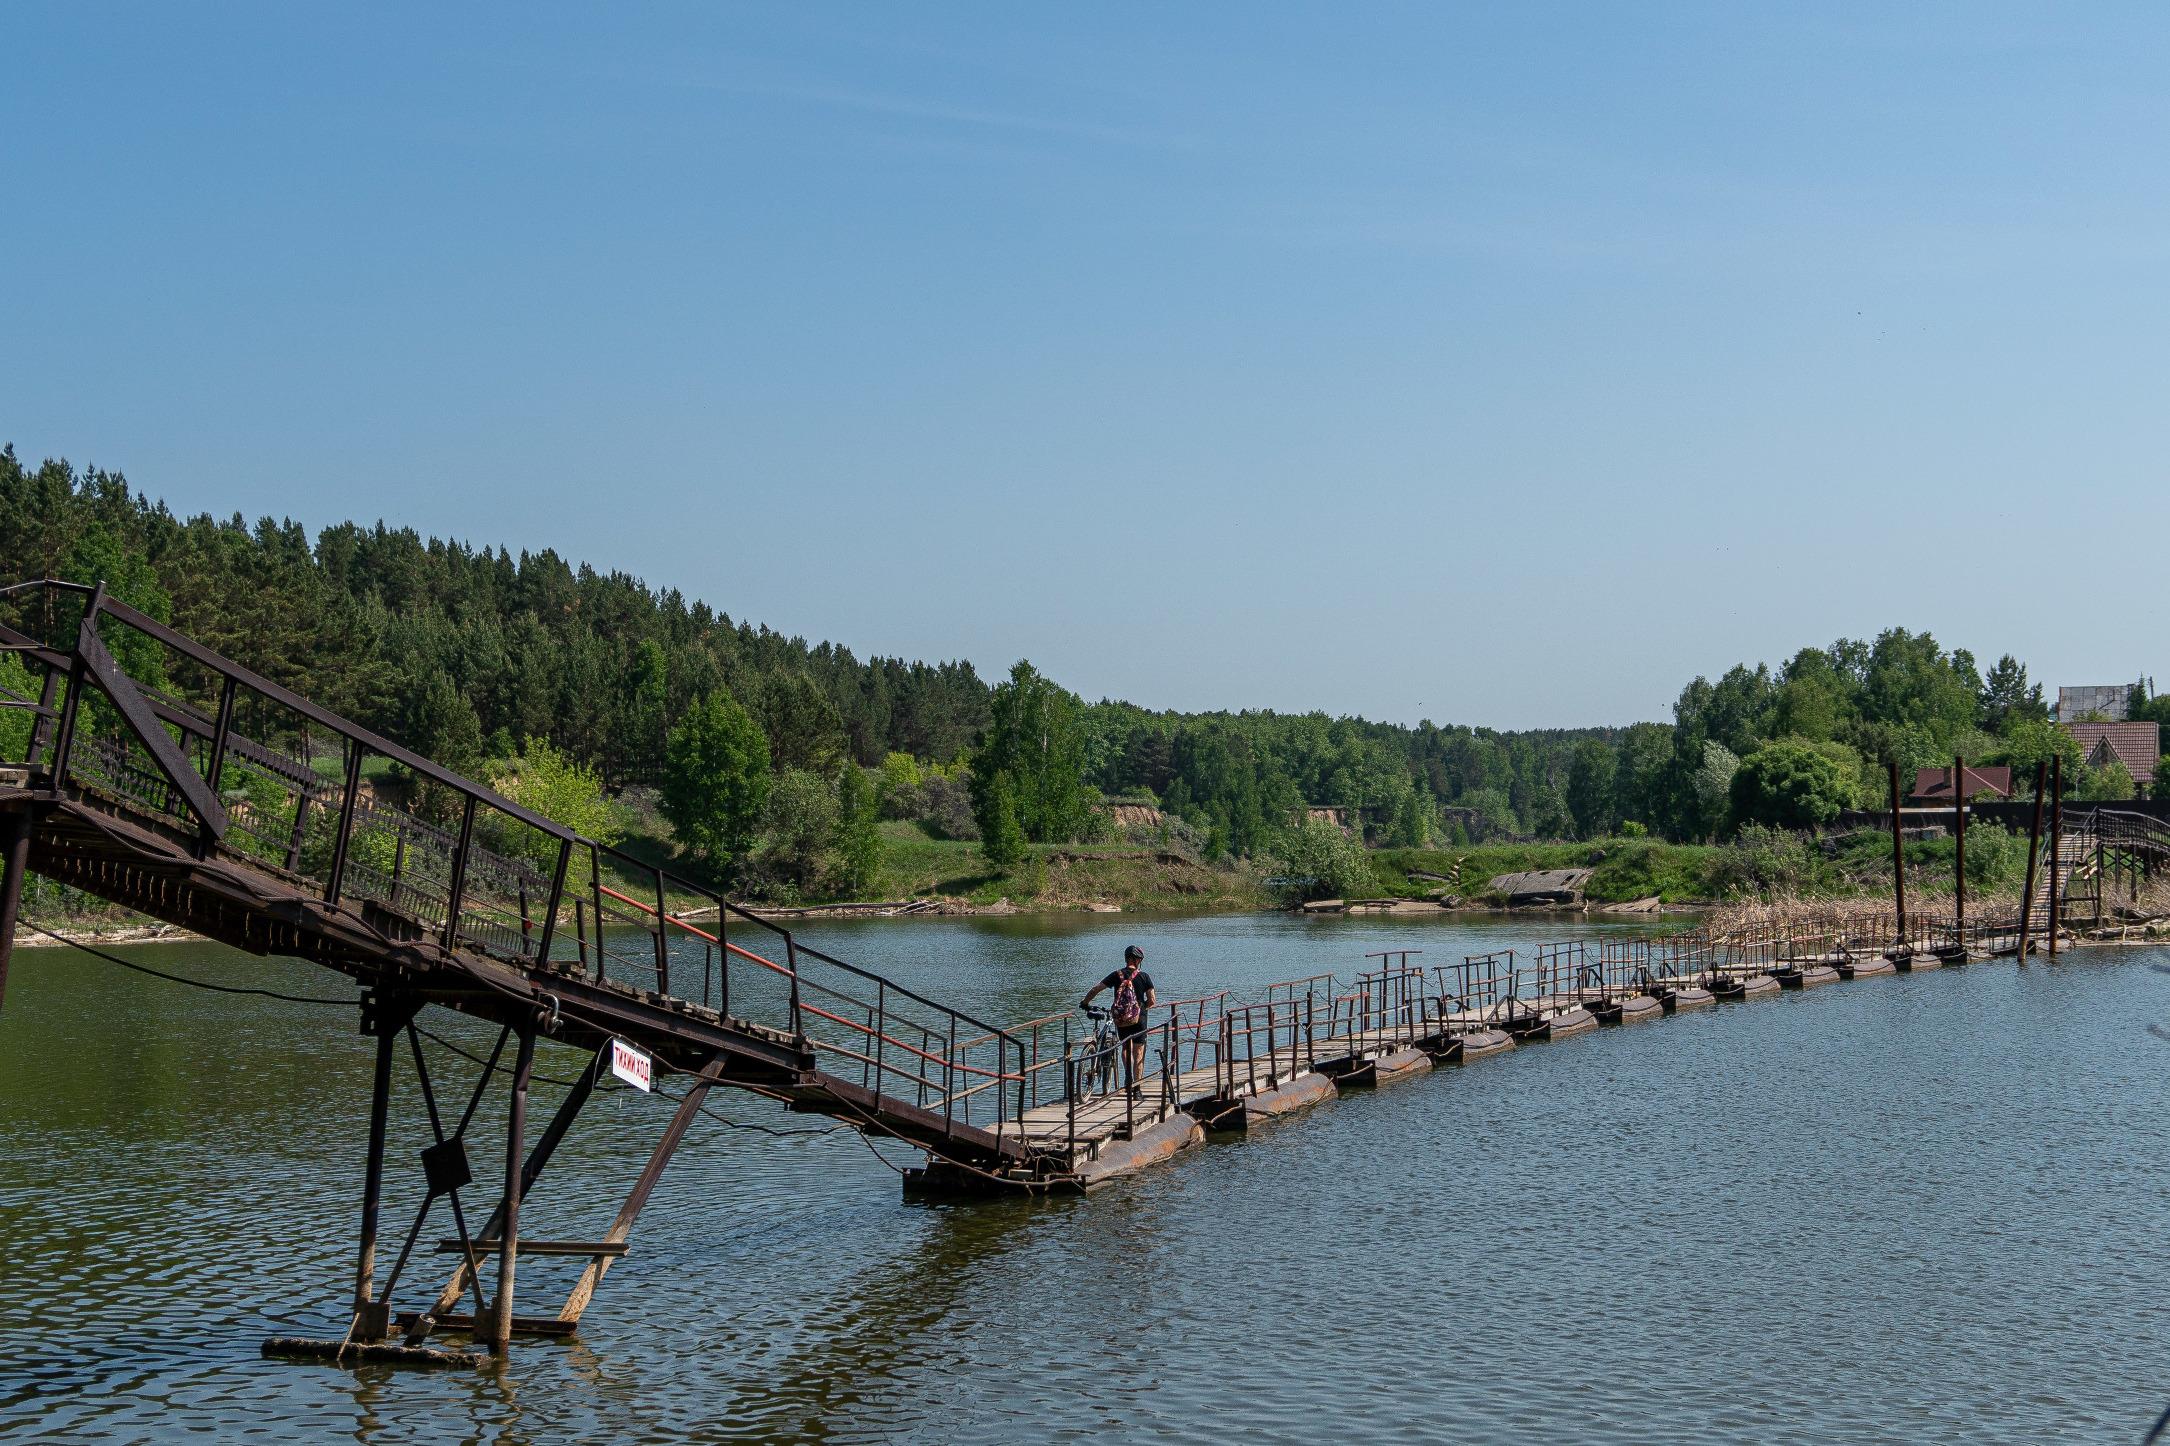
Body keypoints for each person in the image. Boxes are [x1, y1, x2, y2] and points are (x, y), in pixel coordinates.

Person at [1080, 944, 1156, 1096]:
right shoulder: (1144, 976)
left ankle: (1127, 1078)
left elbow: (1096, 988)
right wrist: (1141, 1009)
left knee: (1125, 1048)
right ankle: (1137, 1089)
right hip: (1139, 1019)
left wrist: (1085, 1003)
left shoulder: (1116, 975)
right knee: (1138, 1052)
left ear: (1126, 959)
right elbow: (1152, 1000)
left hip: (1121, 1019)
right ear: (1138, 960)